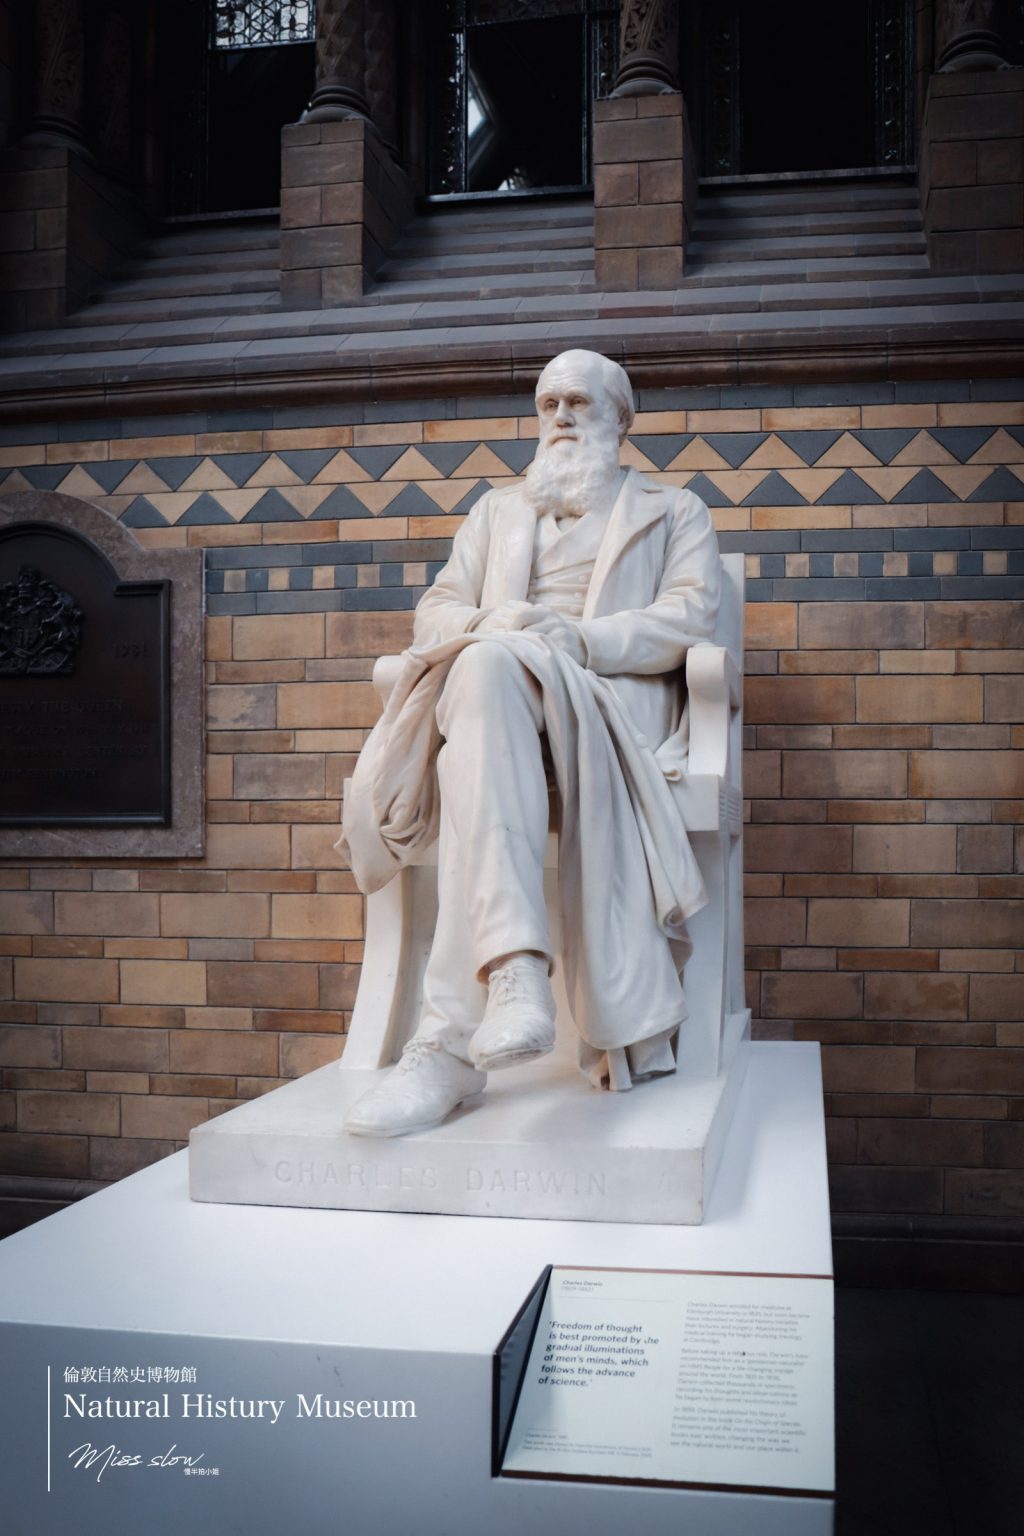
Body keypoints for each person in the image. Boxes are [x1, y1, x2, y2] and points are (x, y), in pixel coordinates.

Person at [341, 349, 722, 1137]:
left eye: (578, 401)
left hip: (606, 704)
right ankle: (512, 972)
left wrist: (578, 639)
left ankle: (448, 1045)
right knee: (484, 671)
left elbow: (690, 616)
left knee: (480, 693)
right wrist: (499, 627)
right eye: (548, 404)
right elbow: (437, 609)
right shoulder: (495, 512)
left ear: (621, 417)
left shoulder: (674, 511)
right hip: (497, 704)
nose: (560, 418)